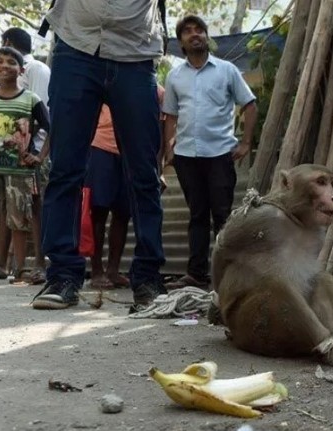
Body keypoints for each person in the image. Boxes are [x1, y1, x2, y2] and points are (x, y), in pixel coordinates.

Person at [31, 1, 166, 311]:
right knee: (65, 169)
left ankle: (147, 278)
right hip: (76, 45)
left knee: (144, 174)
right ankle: (63, 276)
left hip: (136, 51)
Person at [162, 15, 257, 290]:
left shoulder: (226, 70)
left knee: (223, 215)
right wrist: (169, 148)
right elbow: (169, 114)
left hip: (219, 154)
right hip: (187, 156)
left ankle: (228, 275)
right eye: (188, 31)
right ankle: (196, 273)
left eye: (199, 30)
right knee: (197, 215)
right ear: (181, 41)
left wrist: (246, 142)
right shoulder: (174, 76)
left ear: (206, 36)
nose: (195, 34)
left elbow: (249, 105)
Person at [87, 85, 165, 290]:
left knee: (123, 212)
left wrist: (158, 164)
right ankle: (96, 271)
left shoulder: (157, 90)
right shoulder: (103, 79)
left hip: (133, 152)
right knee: (98, 210)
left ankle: (113, 270)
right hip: (101, 146)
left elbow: (159, 126)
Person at [0, 28, 51, 284]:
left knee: (20, 217)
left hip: (21, 168)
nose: (4, 66)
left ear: (21, 69)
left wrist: (40, 156)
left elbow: (51, 127)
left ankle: (22, 267)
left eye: (11, 62)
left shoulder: (31, 98)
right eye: (0, 61)